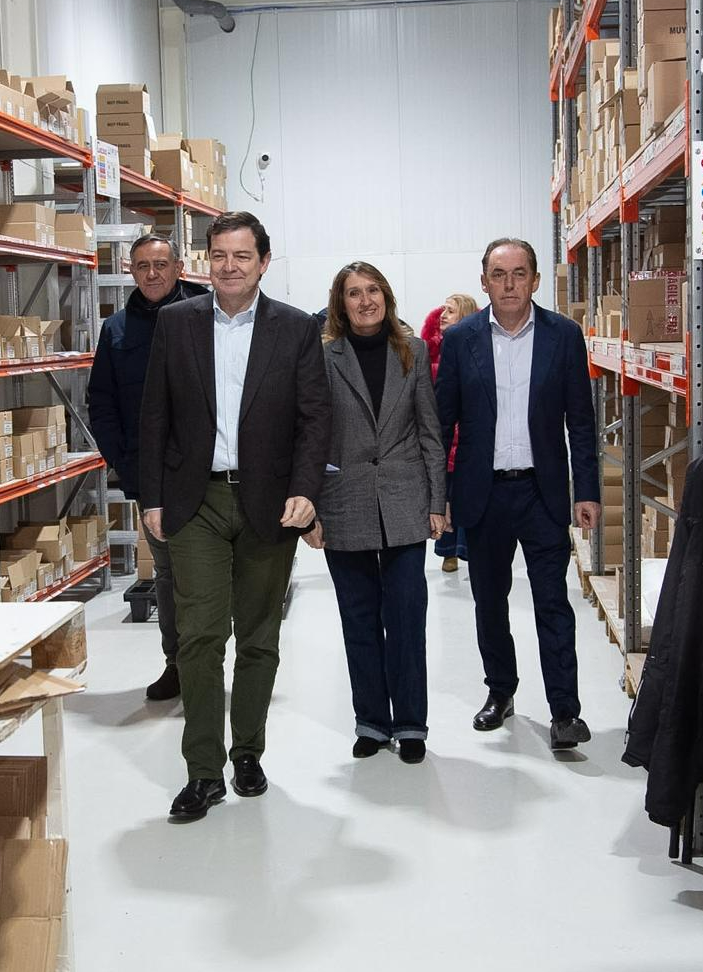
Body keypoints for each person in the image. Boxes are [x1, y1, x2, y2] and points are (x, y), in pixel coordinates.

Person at [140, 211, 332, 822]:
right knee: (199, 636)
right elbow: (154, 415)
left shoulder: (295, 328)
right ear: (206, 260)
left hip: (268, 502)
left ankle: (247, 752)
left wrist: (306, 491)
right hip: (194, 500)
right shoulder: (176, 323)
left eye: (242, 256)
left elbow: (314, 419)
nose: (229, 267)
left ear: (263, 262)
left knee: (257, 636)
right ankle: (203, 771)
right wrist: (151, 498)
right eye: (219, 255)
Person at [434, 238, 601, 752]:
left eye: (519, 273)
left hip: (541, 492)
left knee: (553, 603)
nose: (509, 284)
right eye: (499, 274)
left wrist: (587, 490)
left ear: (535, 280)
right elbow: (441, 424)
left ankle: (565, 713)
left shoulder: (563, 336)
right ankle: (500, 691)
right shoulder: (460, 339)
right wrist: (439, 497)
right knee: (489, 601)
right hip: (482, 494)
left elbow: (581, 421)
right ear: (484, 282)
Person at [306, 263, 447, 764]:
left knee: (406, 617)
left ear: (386, 297)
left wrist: (437, 502)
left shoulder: (413, 351)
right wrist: (310, 510)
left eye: (373, 291)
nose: (365, 301)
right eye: (353, 293)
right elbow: (309, 436)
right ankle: (370, 721)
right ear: (340, 304)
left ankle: (410, 724)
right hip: (343, 501)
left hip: (405, 500)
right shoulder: (322, 357)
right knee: (359, 619)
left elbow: (430, 432)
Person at [86, 235, 207, 701]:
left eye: (160, 264)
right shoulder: (117, 330)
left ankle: (209, 664)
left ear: (178, 267)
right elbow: (102, 402)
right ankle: (177, 665)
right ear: (129, 270)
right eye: (142, 266)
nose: (152, 274)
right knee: (170, 574)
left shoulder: (207, 314)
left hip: (210, 470)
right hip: (153, 478)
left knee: (213, 576)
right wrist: (124, 463)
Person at [421, 293, 479, 572]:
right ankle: (448, 551)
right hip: (440, 435)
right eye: (443, 310)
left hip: (466, 438)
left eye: (451, 311)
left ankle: (467, 549)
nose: (443, 315)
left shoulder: (474, 351)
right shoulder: (429, 353)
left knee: (466, 495)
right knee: (442, 493)